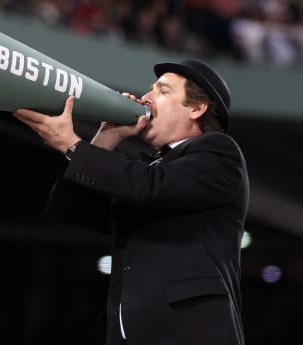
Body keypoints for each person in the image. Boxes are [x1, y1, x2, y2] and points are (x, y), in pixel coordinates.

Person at [13, 59, 249, 345]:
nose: (146, 98)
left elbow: (151, 186)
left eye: (162, 91)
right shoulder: (149, 172)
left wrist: (72, 144)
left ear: (196, 109)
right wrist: (104, 139)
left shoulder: (218, 152)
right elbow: (68, 211)